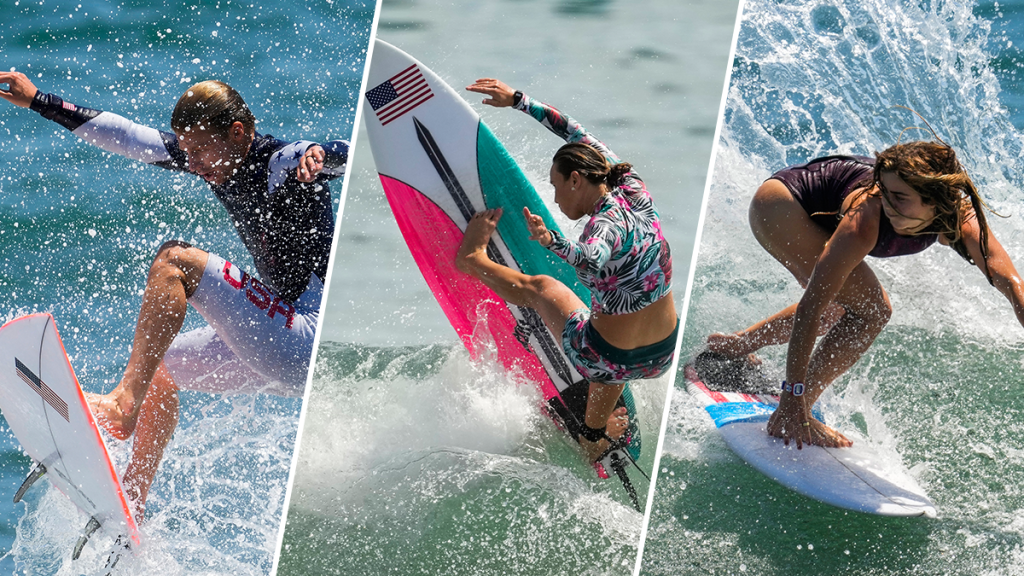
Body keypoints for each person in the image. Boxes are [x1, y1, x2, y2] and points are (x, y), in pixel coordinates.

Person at [0, 71, 349, 518]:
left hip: (304, 339)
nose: (195, 163)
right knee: (159, 370)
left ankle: (123, 403)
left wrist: (323, 154)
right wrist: (37, 101)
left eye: (201, 150)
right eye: (188, 152)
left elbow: (330, 154)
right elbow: (125, 135)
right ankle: (133, 501)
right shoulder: (214, 158)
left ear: (237, 133)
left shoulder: (282, 162)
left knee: (175, 261)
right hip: (278, 336)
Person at [706, 146, 1024, 449]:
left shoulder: (959, 217)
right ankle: (798, 409)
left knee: (846, 304)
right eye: (885, 192)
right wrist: (791, 395)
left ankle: (739, 344)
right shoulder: (866, 218)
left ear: (935, 202)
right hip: (782, 206)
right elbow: (810, 309)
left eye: (900, 197)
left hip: (815, 204)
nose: (888, 203)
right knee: (871, 310)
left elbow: (1009, 281)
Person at [459, 79, 679, 462]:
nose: (556, 199)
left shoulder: (604, 224)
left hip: (606, 358)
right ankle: (595, 430)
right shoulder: (632, 186)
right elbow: (578, 134)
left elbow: (592, 255)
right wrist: (518, 101)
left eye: (556, 187)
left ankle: (473, 260)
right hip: (661, 356)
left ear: (576, 179)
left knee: (542, 288)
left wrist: (551, 243)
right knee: (612, 327)